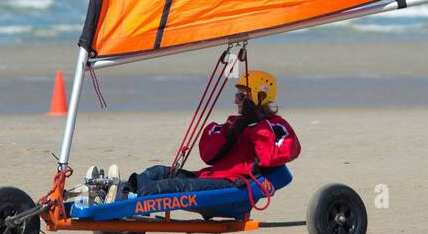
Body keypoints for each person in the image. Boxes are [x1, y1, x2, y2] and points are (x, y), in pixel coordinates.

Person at [88, 69, 301, 203]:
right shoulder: (230, 124)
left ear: (258, 96)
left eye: (240, 96)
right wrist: (236, 128)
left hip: (234, 184)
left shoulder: (276, 127)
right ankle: (116, 188)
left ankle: (124, 196)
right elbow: (208, 154)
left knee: (177, 187)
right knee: (160, 172)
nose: (236, 101)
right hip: (209, 176)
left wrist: (255, 127)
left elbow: (270, 158)